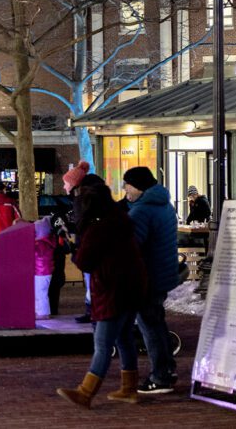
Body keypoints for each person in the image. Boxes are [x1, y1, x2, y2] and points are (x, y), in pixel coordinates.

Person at [57, 181, 147, 408]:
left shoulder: (97, 229)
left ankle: (86, 392)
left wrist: (75, 245)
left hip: (111, 291)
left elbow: (85, 261)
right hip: (131, 287)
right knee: (124, 338)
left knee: (103, 343)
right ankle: (129, 388)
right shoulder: (120, 219)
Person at [123, 166, 180, 394]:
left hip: (146, 277)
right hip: (163, 274)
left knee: (150, 325)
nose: (124, 189)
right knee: (156, 321)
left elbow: (131, 247)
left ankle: (161, 375)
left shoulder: (141, 212)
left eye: (127, 184)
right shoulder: (164, 205)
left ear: (138, 186)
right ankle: (166, 369)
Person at [63, 162, 91, 322]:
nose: (64, 186)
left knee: (90, 280)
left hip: (87, 247)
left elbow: (82, 225)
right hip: (85, 246)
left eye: (66, 183)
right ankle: (91, 310)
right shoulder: (81, 200)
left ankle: (91, 311)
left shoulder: (81, 201)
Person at [34, 217, 55, 319]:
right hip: (43, 271)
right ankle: (39, 311)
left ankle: (43, 313)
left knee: (41, 292)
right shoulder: (48, 241)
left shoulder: (41, 244)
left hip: (41, 271)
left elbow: (37, 255)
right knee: (40, 292)